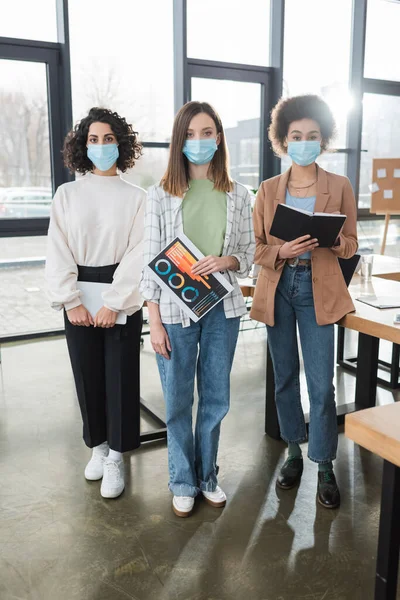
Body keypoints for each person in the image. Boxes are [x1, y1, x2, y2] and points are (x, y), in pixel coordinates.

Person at [140, 101, 255, 517]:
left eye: (207, 133)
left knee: (215, 398)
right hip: (173, 313)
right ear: (179, 140)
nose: (199, 141)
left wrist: (228, 261)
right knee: (176, 401)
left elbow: (250, 251)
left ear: (219, 138)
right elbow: (151, 261)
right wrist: (153, 319)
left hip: (222, 309)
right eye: (190, 134)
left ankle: (207, 476)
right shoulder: (160, 195)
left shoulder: (240, 194)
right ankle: (182, 480)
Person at [250, 95, 358, 509]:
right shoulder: (268, 189)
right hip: (279, 288)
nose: (304, 142)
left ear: (323, 140)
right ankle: (293, 451)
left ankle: (325, 463)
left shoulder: (340, 186)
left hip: (319, 290)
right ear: (284, 140)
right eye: (296, 135)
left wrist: (330, 239)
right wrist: (283, 251)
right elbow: (257, 249)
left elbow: (350, 246)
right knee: (284, 378)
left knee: (321, 385)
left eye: (312, 136)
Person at [46, 107, 145, 499]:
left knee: (121, 375)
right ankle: (98, 448)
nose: (100, 146)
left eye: (108, 139)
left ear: (120, 144)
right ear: (81, 145)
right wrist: (71, 300)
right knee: (87, 374)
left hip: (120, 292)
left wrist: (115, 303)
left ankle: (117, 456)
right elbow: (57, 248)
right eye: (93, 139)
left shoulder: (137, 197)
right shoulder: (67, 194)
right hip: (78, 297)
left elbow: (140, 253)